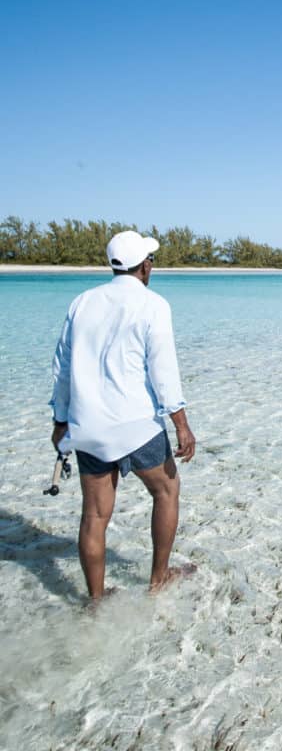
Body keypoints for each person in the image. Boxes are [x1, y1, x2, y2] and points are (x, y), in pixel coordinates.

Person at [50, 230, 196, 599]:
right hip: (136, 427)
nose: (152, 266)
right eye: (151, 260)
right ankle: (158, 578)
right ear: (144, 266)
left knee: (95, 516)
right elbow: (163, 371)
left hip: (89, 426)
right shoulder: (154, 305)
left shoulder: (82, 302)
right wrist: (181, 424)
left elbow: (63, 368)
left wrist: (60, 421)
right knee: (167, 490)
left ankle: (96, 601)